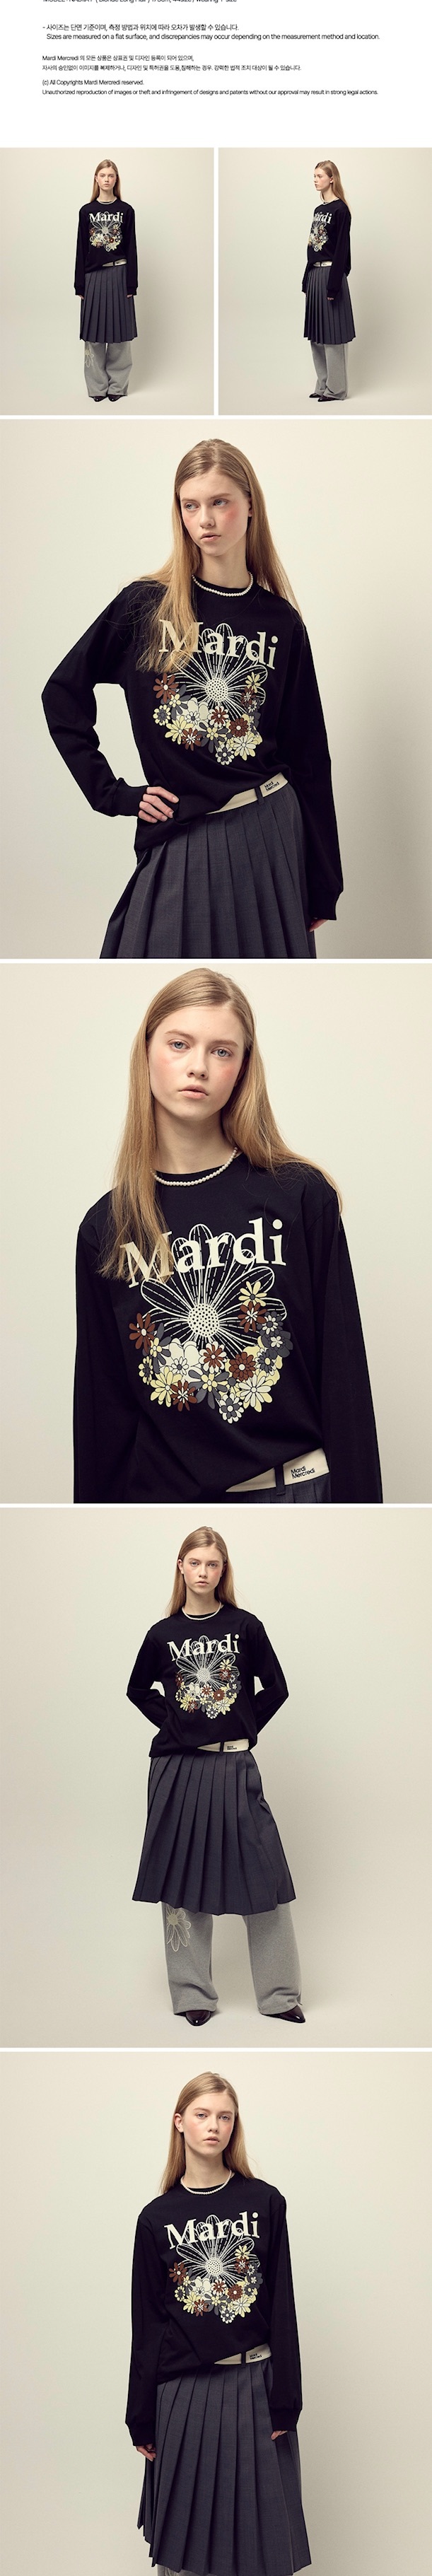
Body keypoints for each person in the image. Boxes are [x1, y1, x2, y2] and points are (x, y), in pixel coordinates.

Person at [73, 960, 383, 1503]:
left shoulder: (298, 1196)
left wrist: (363, 1517)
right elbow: (104, 1417)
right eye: (179, 1044)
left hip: (297, 1492)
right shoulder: (107, 1228)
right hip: (166, 1503)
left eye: (221, 1051)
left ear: (241, 1068)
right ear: (146, 1052)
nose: (198, 1067)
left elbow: (344, 1380)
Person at [42, 431, 343, 957]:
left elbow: (309, 755)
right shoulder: (146, 605)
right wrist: (113, 794)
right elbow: (62, 693)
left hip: (269, 827)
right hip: (181, 832)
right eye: (191, 505)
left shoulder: (281, 622)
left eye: (220, 502)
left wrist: (323, 879)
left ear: (250, 506)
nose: (205, 520)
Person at [126, 2066, 311, 2572]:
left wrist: (286, 2399)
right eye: (203, 2115)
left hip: (255, 2383)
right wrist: (140, 2415)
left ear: (235, 2125)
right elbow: (148, 2324)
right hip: (183, 2391)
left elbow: (282, 2305)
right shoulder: (156, 2218)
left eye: (225, 2117)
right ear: (179, 2122)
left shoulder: (265, 2201)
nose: (214, 2126)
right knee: (183, 2551)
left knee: (260, 2544)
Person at [127, 1520, 304, 2022]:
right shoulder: (162, 1635)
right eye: (195, 1562)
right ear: (181, 1568)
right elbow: (137, 1690)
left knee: (264, 1877)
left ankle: (280, 1997)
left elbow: (276, 1688)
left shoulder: (245, 1626)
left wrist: (243, 1726)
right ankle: (193, 1997)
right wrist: (178, 1724)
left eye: (212, 1563)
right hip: (178, 1770)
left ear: (223, 1570)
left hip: (233, 1765)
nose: (203, 1571)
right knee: (181, 1878)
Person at [74, 156, 138, 403]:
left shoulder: (126, 210)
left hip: (120, 274)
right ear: (96, 179)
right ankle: (97, 387)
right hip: (93, 277)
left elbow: (131, 248)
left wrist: (131, 283)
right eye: (103, 175)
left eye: (111, 175)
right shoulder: (86, 211)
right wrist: (80, 284)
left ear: (116, 179)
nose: (107, 179)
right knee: (94, 334)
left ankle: (118, 387)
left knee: (120, 334)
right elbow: (81, 249)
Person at [303, 160, 354, 403]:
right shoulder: (318, 210)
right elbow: (313, 246)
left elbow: (342, 249)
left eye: (320, 176)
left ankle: (337, 389)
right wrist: (307, 277)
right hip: (315, 274)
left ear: (332, 178)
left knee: (333, 334)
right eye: (314, 176)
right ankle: (323, 385)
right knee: (317, 333)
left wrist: (334, 283)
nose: (315, 180)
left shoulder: (341, 210)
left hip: (330, 275)